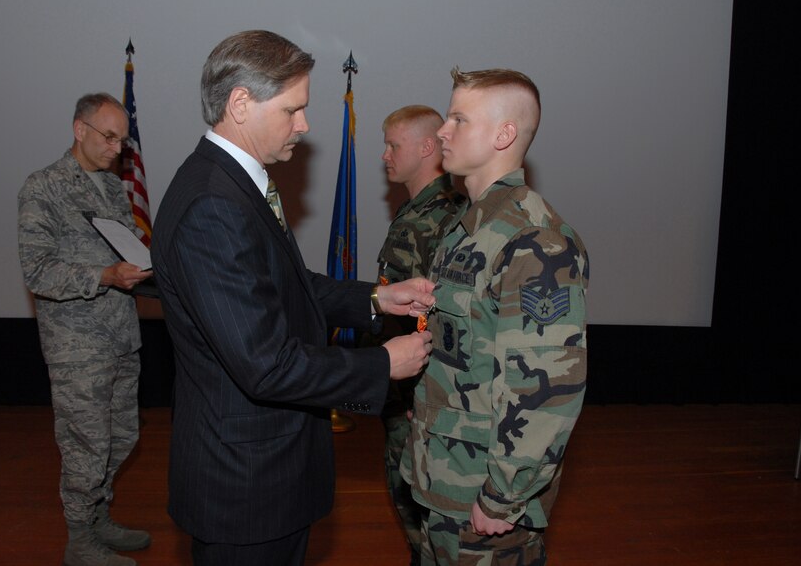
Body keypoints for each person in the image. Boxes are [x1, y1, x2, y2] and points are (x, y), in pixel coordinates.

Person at [150, 30, 435, 566]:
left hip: (264, 468)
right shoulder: (213, 205)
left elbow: (286, 286)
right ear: (240, 104)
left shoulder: (231, 184)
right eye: (292, 110)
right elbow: (265, 365)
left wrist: (377, 298)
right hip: (246, 486)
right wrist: (381, 365)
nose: (304, 125)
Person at [401, 68, 589, 566]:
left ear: (504, 134)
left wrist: (505, 495)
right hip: (442, 475)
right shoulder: (467, 229)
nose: (443, 130)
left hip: (482, 497)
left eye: (459, 119)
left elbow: (546, 386)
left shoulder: (535, 242)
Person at [18, 93, 153, 566]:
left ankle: (98, 517)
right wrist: (103, 276)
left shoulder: (113, 189)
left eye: (122, 139)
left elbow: (124, 253)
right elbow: (38, 271)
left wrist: (143, 269)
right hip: (77, 345)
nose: (117, 148)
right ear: (80, 129)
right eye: (108, 136)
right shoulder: (44, 188)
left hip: (120, 334)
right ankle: (79, 539)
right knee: (86, 445)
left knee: (123, 436)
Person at [375, 105, 466, 565]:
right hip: (405, 383)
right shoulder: (425, 210)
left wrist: (419, 399)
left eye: (394, 145)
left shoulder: (438, 218)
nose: (385, 155)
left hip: (416, 390)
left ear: (428, 147)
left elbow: (439, 317)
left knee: (421, 507)